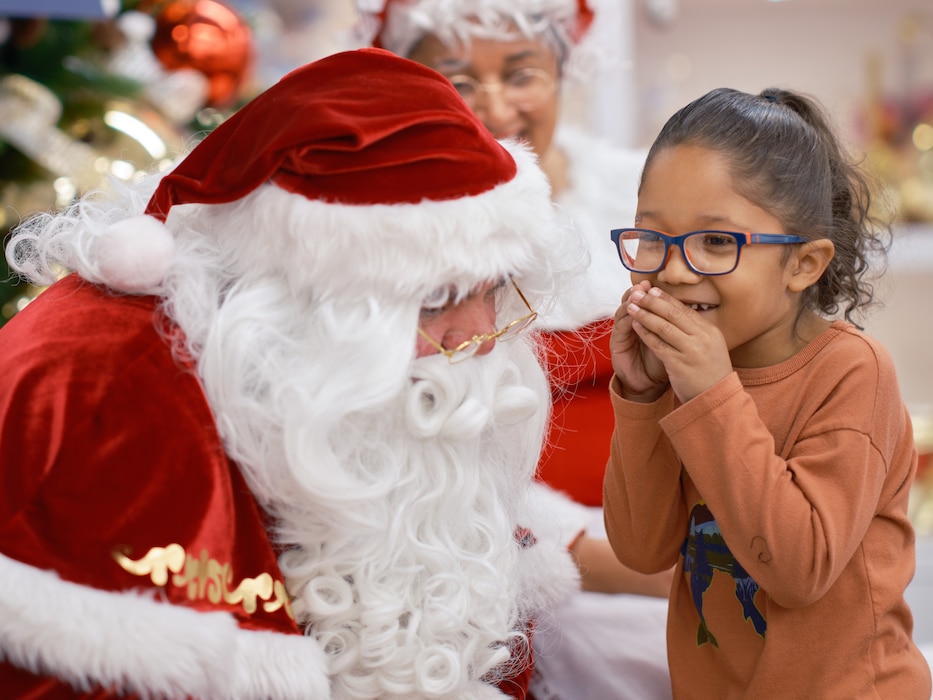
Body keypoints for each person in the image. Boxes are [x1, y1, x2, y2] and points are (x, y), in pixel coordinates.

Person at [0, 47, 587, 699]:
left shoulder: (342, 381)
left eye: (497, 285)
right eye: (438, 297)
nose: (482, 334)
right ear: (306, 303)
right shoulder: (109, 395)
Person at [356, 2, 672, 698]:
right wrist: (637, 568)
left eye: (521, 73)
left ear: (563, 74)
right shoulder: (391, 236)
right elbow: (427, 461)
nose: (493, 106)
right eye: (458, 80)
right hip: (526, 564)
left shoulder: (646, 196)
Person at [603, 85, 933, 698]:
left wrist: (708, 394)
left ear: (803, 265)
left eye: (716, 243)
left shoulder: (852, 373)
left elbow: (800, 568)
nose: (674, 270)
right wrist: (642, 397)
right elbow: (641, 549)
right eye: (653, 238)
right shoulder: (687, 371)